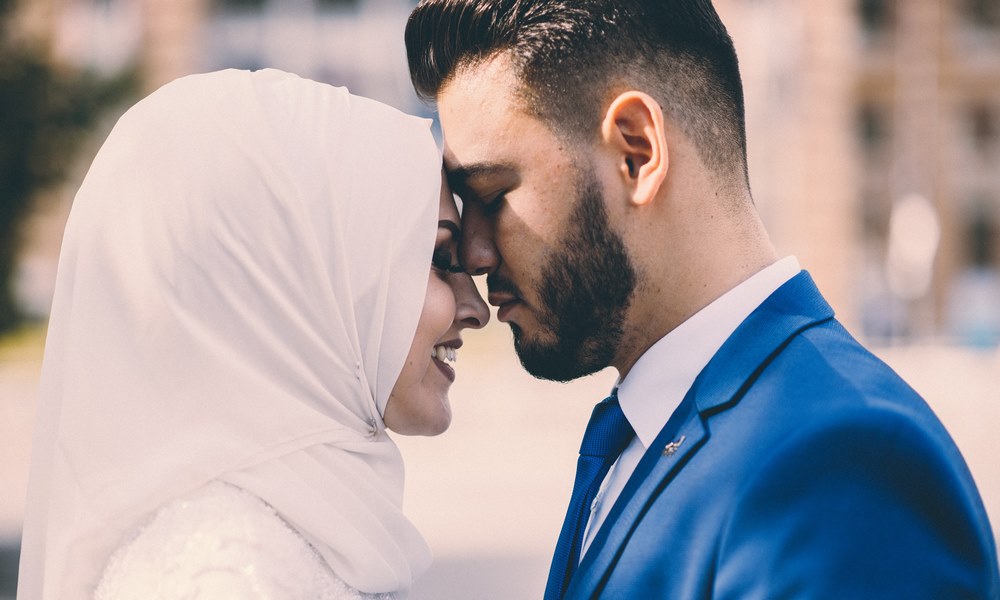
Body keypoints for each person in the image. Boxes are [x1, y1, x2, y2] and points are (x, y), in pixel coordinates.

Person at [404, 1, 1000, 598]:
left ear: (637, 152)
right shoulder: (651, 432)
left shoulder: (846, 465)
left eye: (492, 195)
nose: (474, 254)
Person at [17, 68, 489, 599]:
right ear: (299, 285)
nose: (477, 309)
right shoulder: (224, 577)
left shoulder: (302, 528)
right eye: (438, 257)